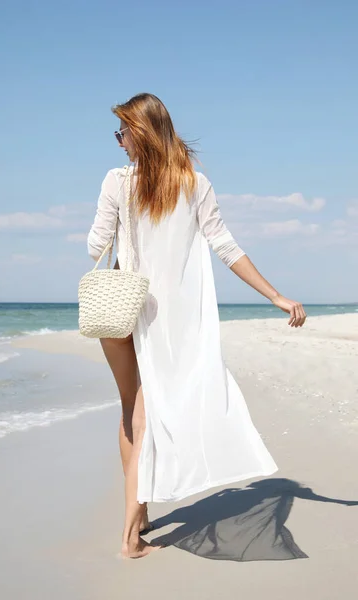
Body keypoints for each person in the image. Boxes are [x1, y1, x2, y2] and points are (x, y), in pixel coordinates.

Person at [87, 93, 306, 559]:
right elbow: (225, 247)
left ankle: (136, 523)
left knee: (132, 413)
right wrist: (275, 296)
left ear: (140, 133)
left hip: (118, 310)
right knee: (143, 417)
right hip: (163, 320)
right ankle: (132, 533)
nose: (119, 142)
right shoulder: (194, 183)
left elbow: (94, 247)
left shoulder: (116, 181)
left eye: (122, 132)